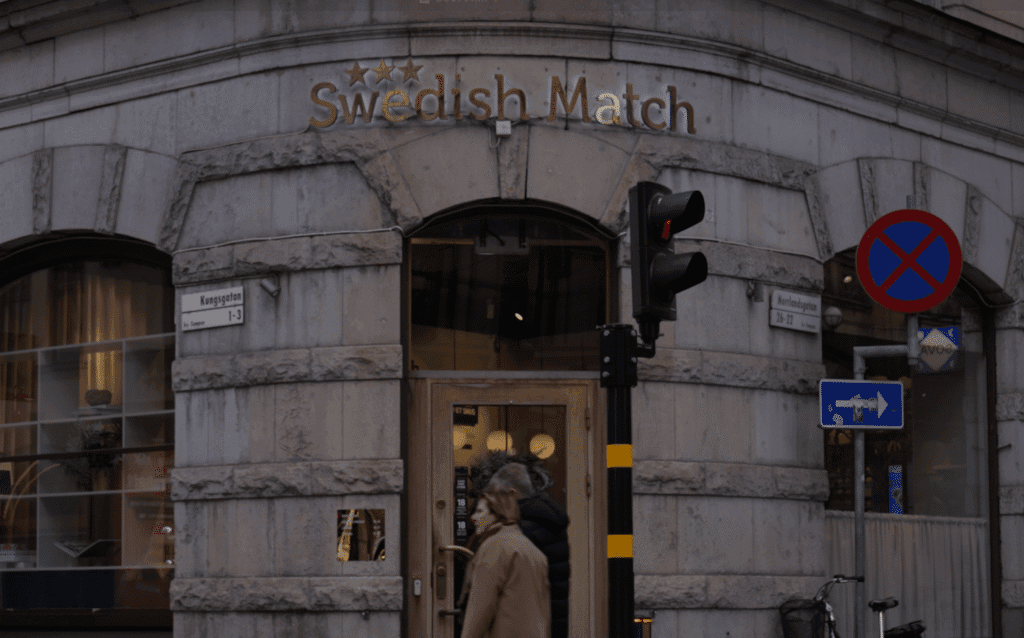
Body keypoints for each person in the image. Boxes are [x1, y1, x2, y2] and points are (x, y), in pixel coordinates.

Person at [485, 461, 570, 638]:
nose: (492, 503)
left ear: (511, 494)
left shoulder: (523, 529)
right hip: (551, 621)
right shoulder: (548, 519)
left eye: (495, 495)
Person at [458, 488, 550, 638]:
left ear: (498, 515)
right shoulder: (534, 551)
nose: (474, 517)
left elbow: (480, 610)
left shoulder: (494, 548)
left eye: (480, 511)